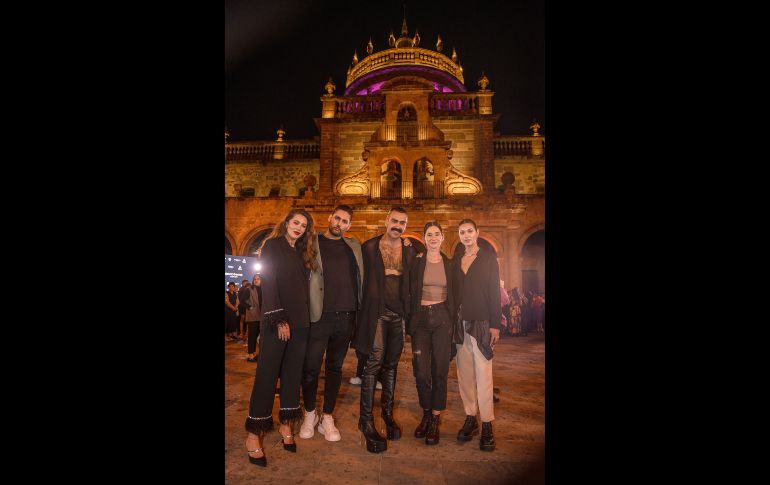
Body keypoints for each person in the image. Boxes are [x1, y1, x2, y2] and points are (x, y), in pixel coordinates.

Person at [244, 209, 317, 467]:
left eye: (303, 225)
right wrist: (279, 319)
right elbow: (270, 282)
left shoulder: (303, 251)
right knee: (267, 375)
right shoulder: (272, 246)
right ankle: (253, 435)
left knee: (292, 376)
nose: (299, 227)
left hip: (301, 323)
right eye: (295, 222)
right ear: (286, 223)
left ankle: (286, 425)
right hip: (278, 321)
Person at [352, 207, 416, 453]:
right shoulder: (369, 247)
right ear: (386, 220)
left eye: (403, 222)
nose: (398, 225)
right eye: (395, 221)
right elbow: (358, 278)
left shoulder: (409, 249)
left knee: (391, 364)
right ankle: (366, 420)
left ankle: (387, 414)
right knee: (374, 363)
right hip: (377, 312)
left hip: (399, 314)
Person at [299, 205, 364, 442]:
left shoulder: (354, 246)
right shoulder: (312, 242)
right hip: (319, 316)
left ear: (349, 225)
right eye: (337, 218)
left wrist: (406, 245)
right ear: (330, 218)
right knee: (311, 368)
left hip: (346, 317)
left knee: (335, 368)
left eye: (345, 221)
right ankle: (310, 413)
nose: (339, 223)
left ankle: (327, 416)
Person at [451, 219, 502, 451]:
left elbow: (494, 292)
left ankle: (487, 423)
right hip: (460, 324)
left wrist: (495, 325)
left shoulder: (488, 258)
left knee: (484, 375)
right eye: (462, 232)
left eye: (470, 231)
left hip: (482, 323)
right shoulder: (456, 260)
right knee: (465, 375)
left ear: (477, 232)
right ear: (459, 235)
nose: (466, 235)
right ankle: (470, 417)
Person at [409, 221, 455, 445]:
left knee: (440, 370)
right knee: (421, 372)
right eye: (429, 234)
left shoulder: (449, 264)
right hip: (420, 320)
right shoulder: (417, 261)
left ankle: (435, 419)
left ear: (442, 237)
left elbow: (457, 293)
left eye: (437, 234)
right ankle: (426, 413)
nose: (433, 238)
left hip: (442, 319)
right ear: (424, 238)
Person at [245, 274, 262, 362]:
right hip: (252, 316)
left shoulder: (263, 289)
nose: (256, 280)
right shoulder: (249, 289)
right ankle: (251, 355)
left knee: (257, 336)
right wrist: (249, 307)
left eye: (258, 279)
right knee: (252, 336)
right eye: (254, 279)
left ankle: (254, 353)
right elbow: (241, 299)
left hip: (261, 316)